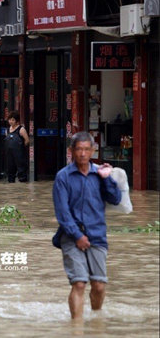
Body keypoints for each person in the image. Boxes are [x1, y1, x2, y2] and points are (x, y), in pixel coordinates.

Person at [52, 132, 121, 320]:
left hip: (97, 235)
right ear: (71, 151)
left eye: (86, 149)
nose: (82, 153)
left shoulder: (100, 174)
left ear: (93, 151)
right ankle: (77, 328)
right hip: (70, 236)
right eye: (79, 149)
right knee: (80, 283)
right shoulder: (63, 177)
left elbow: (116, 199)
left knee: (99, 285)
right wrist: (77, 236)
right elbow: (62, 213)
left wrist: (107, 178)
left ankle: (96, 320)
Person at [5, 110, 29, 182]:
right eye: (9, 119)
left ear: (16, 121)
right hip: (10, 155)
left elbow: (27, 140)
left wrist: (21, 148)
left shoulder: (21, 129)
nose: (11, 121)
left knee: (21, 171)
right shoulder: (7, 130)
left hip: (20, 155)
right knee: (10, 171)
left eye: (13, 120)